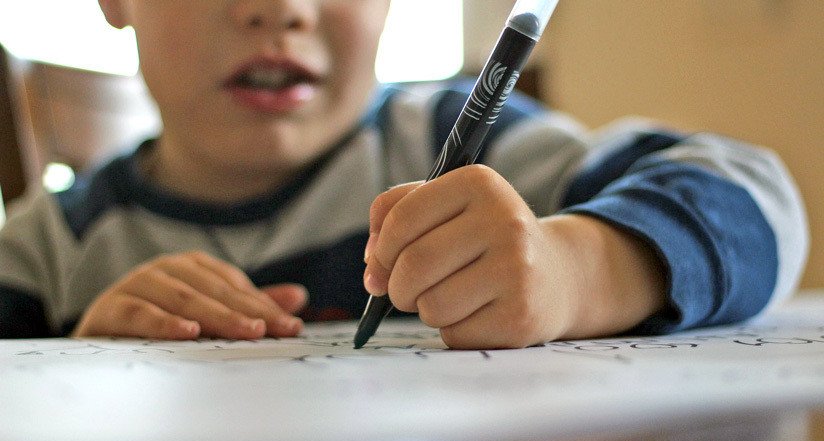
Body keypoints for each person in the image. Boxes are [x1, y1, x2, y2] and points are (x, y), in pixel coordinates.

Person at [0, 0, 808, 349]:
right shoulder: (47, 248)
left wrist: (577, 269)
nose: (280, 8)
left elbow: (759, 194)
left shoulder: (457, 146)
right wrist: (80, 372)